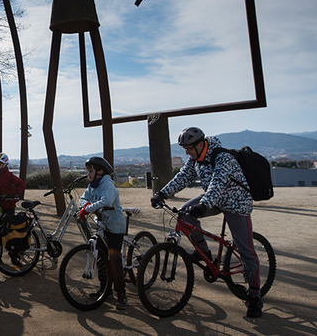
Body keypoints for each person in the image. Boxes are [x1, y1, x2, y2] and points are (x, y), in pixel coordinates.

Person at [151, 127, 263, 318]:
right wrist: (162, 193)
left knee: (246, 251)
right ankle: (204, 253)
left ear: (201, 144)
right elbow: (183, 177)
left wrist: (204, 205)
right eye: (184, 149)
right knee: (184, 214)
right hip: (214, 199)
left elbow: (217, 184)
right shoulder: (195, 158)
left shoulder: (222, 157)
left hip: (236, 203)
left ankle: (254, 295)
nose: (186, 152)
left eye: (188, 148)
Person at [78, 156, 128, 310]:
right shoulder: (93, 185)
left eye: (91, 171)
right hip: (101, 225)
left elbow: (106, 201)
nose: (88, 174)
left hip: (115, 226)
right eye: (88, 171)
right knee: (100, 257)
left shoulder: (108, 184)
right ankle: (104, 289)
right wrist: (85, 204)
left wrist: (87, 209)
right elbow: (82, 198)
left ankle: (121, 294)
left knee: (114, 258)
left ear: (100, 171)